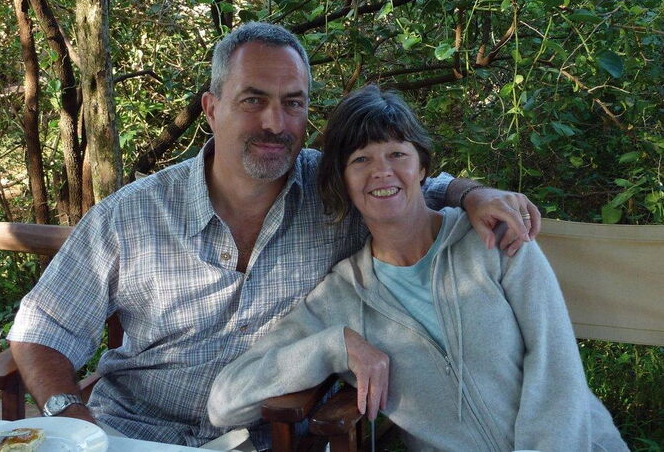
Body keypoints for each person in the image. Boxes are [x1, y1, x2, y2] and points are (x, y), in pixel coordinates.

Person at [8, 23, 541, 449]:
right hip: (129, 433)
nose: (275, 122)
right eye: (253, 99)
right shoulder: (132, 215)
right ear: (211, 107)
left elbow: (414, 182)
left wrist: (472, 195)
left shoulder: (338, 193)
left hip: (277, 436)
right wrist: (74, 423)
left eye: (293, 102)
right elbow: (43, 330)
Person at [207, 85, 627, 451]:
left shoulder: (494, 240)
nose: (382, 172)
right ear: (342, 179)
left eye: (397, 154)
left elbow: (556, 367)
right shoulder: (342, 297)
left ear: (422, 167)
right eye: (360, 160)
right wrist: (334, 347)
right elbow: (225, 402)